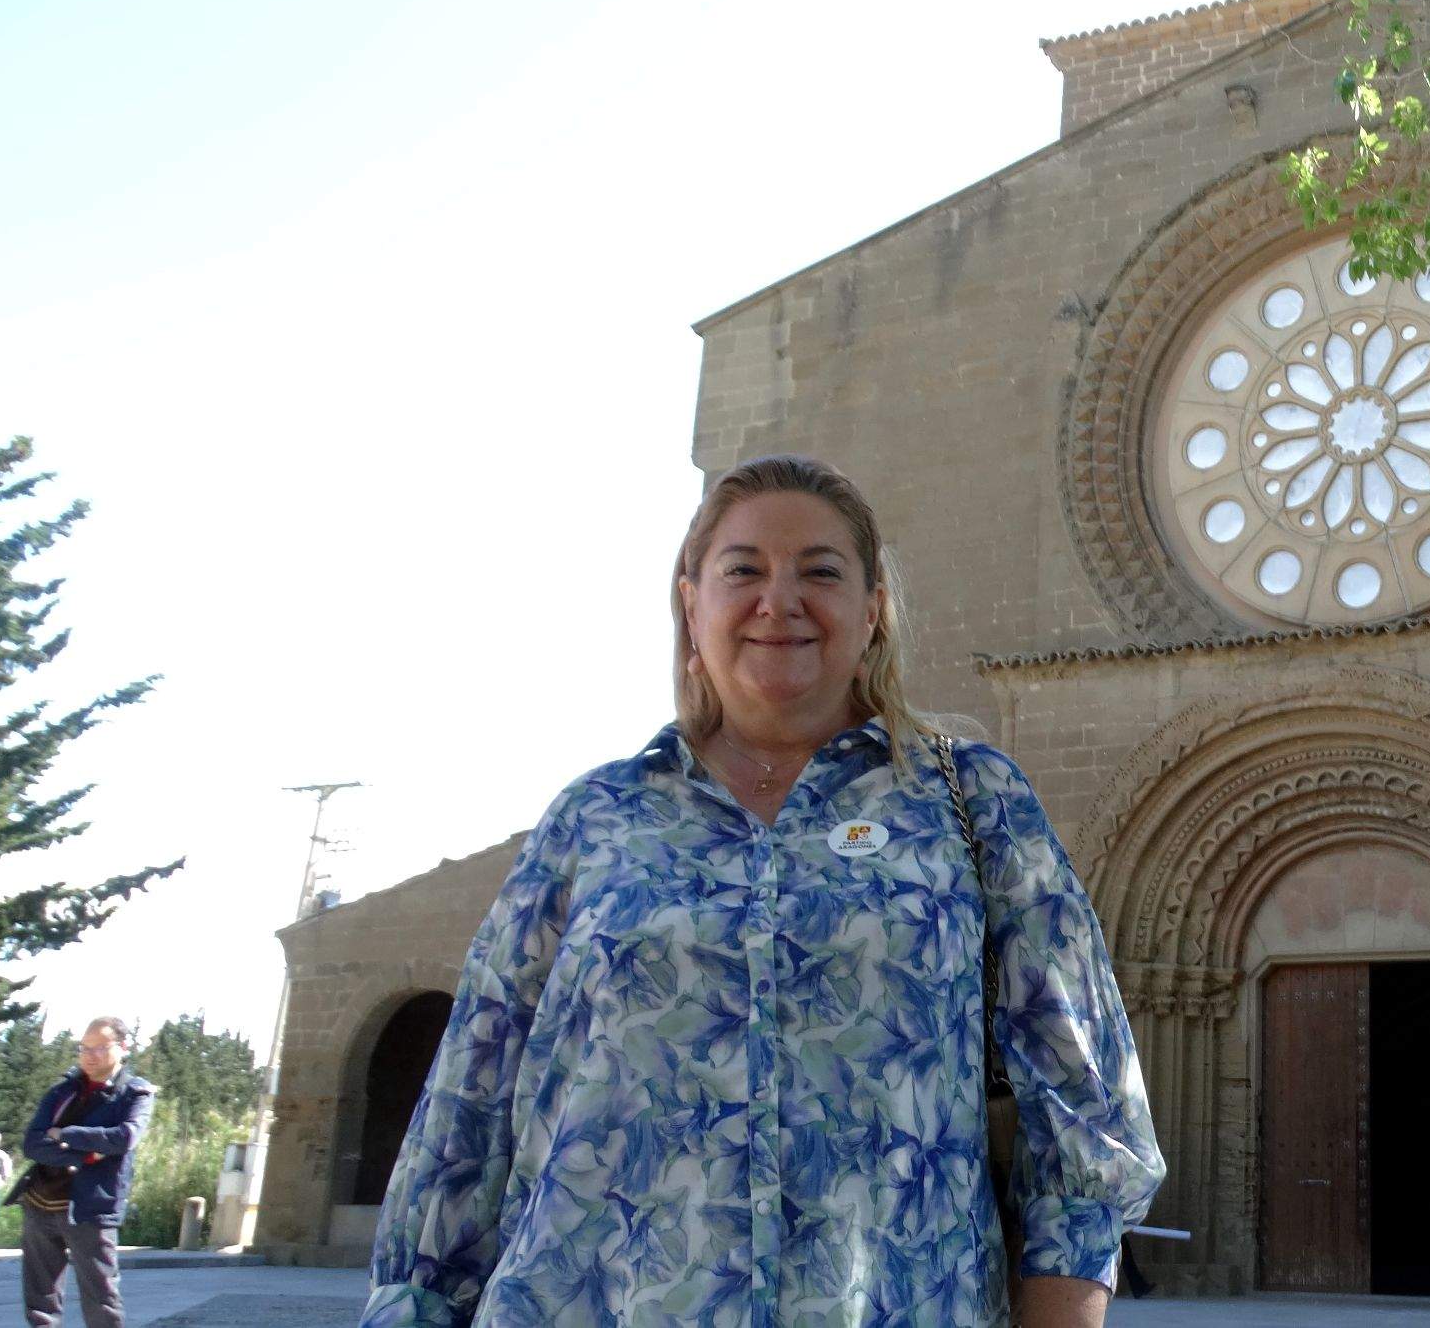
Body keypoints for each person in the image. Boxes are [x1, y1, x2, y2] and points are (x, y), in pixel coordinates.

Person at [363, 454, 1164, 1328]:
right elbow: (467, 1107)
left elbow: (1085, 1106)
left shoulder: (972, 801)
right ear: (690, 604)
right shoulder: (594, 817)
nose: (778, 600)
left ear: (872, 612)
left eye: (820, 571)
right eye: (743, 570)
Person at [13, 1017, 154, 1328]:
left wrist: (64, 1134)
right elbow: (33, 1144)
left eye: (100, 1048)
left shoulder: (135, 1093)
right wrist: (90, 1152)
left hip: (91, 1206)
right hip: (40, 1202)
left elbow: (124, 1138)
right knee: (40, 1299)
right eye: (84, 1048)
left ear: (123, 1047)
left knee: (101, 1295)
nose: (90, 1056)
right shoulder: (62, 1090)